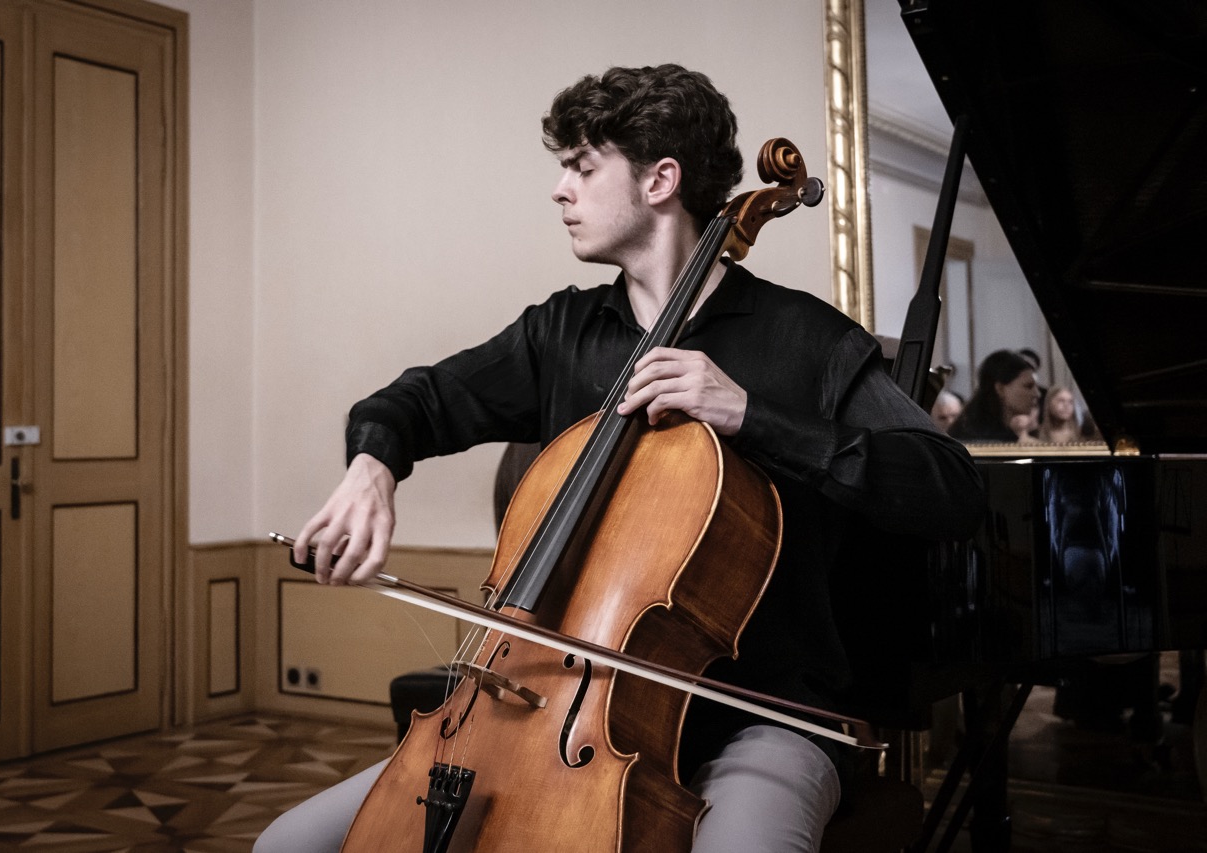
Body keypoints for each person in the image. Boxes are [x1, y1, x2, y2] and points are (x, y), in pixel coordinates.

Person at [257, 64, 985, 853]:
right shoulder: (560, 333)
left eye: (581, 166)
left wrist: (751, 414)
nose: (559, 189)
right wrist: (371, 470)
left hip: (760, 720)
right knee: (288, 845)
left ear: (660, 179)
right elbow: (414, 402)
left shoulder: (805, 338)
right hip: (547, 708)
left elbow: (950, 487)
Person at [949, 349, 1039, 442]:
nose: (1037, 394)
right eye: (1028, 386)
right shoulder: (974, 437)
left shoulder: (1019, 433)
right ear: (1000, 389)